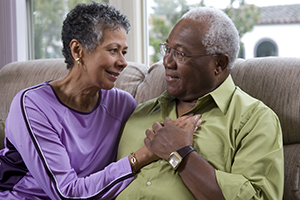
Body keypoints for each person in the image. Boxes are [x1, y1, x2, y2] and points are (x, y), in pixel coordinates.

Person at [0, 2, 177, 199]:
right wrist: (143, 156)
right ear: (77, 51)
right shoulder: (32, 105)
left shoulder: (123, 105)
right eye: (113, 50)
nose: (123, 62)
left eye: (124, 52)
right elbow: (65, 193)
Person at [116, 6, 284, 200]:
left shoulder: (255, 120)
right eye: (167, 49)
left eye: (180, 54)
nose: (167, 62)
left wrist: (181, 154)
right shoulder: (140, 113)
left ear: (219, 64)